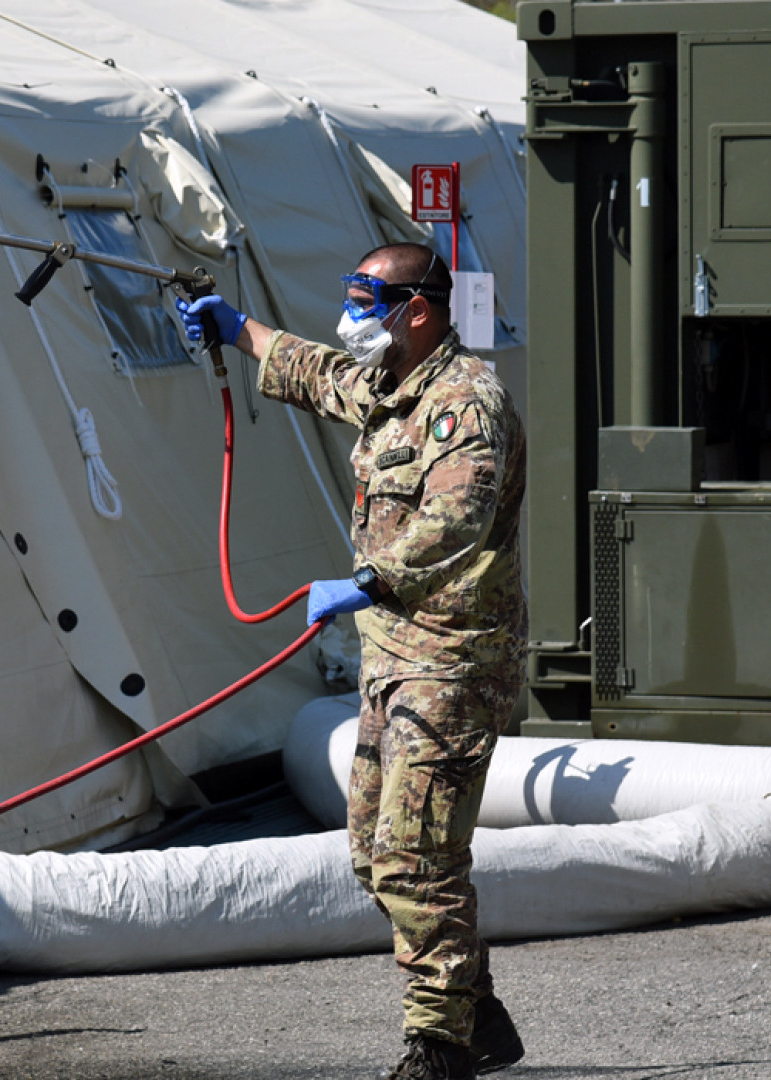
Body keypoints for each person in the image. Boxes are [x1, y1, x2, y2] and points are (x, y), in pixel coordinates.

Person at [179, 244, 527, 1080]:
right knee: (375, 855)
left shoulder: (465, 402)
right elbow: (320, 372)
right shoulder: (392, 381)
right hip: (392, 659)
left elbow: (458, 520)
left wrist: (368, 581)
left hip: (452, 663)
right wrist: (236, 329)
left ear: (418, 310)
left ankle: (439, 1047)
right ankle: (476, 1013)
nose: (353, 317)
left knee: (418, 859)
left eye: (367, 302)